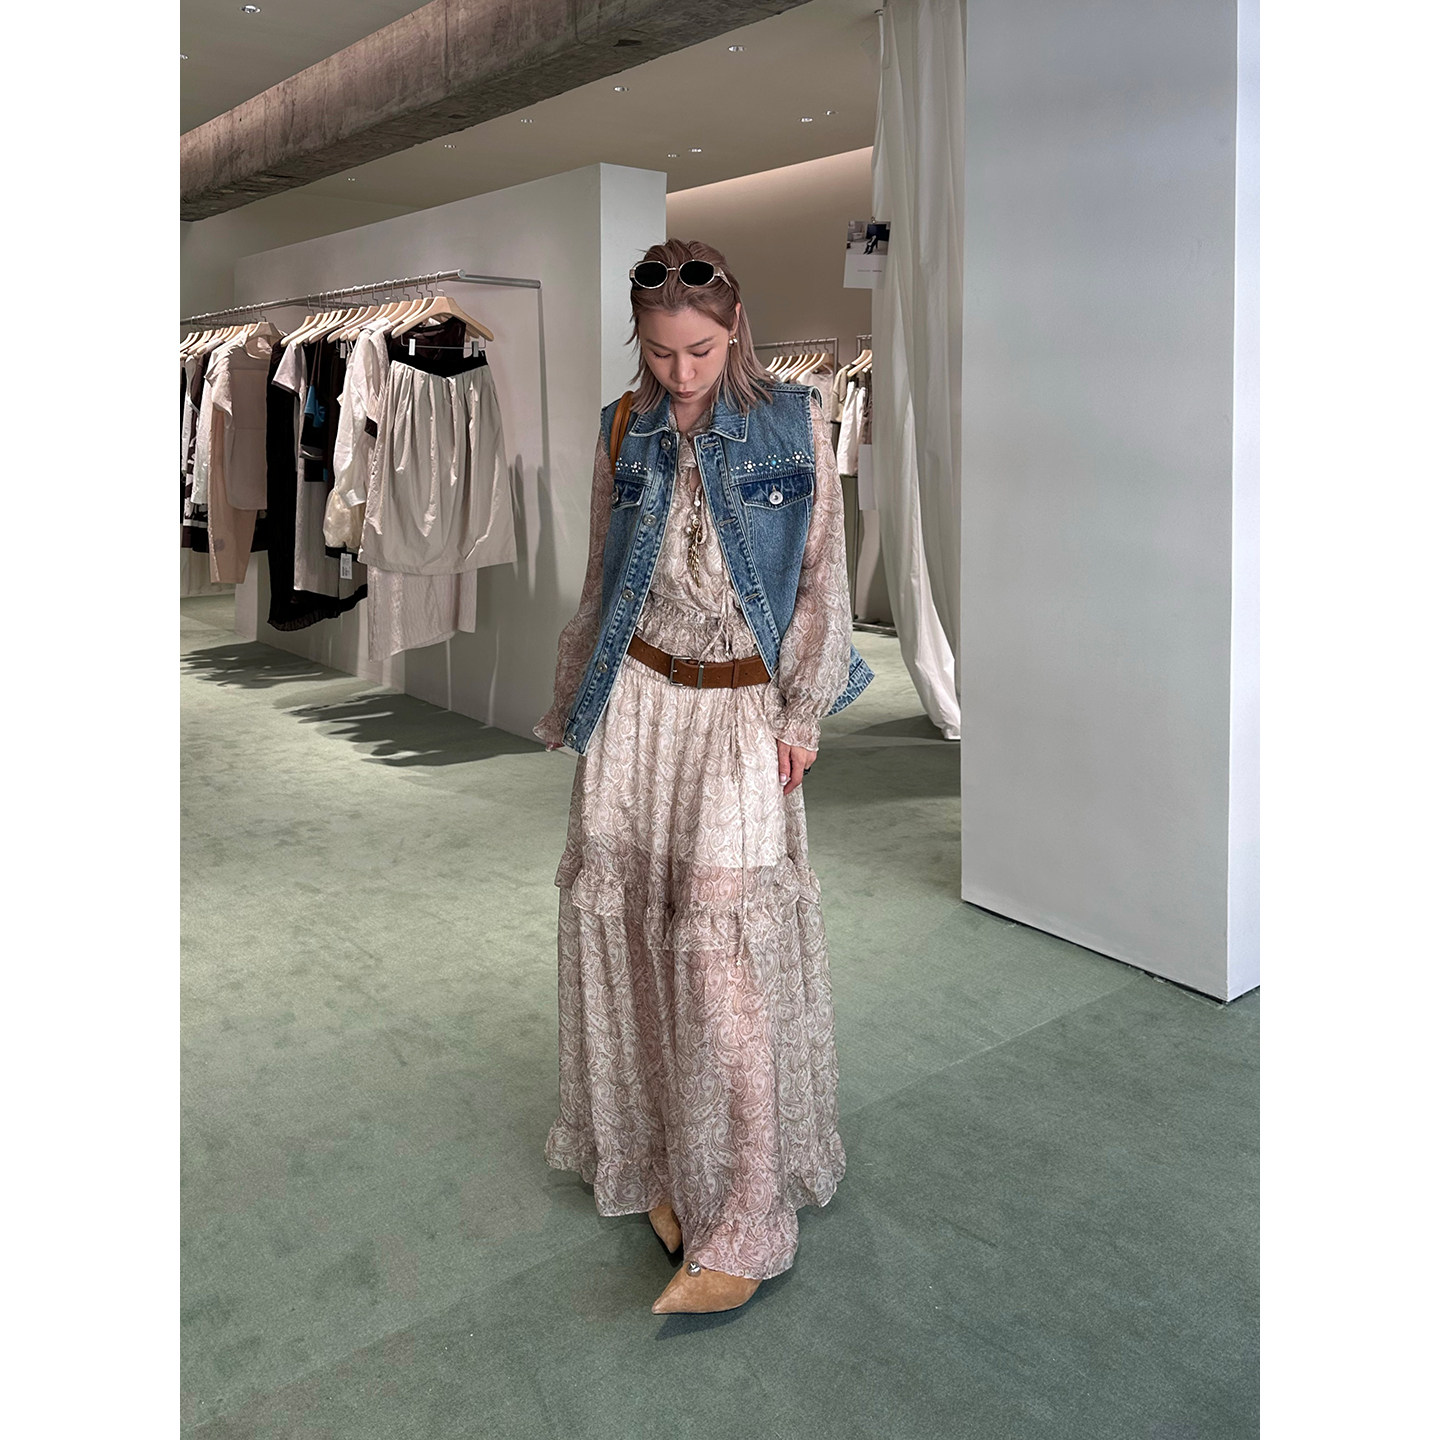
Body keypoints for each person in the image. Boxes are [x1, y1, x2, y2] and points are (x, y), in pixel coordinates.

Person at [534, 238, 874, 1314]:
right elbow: (602, 579)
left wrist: (803, 712)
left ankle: (747, 1218)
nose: (680, 373)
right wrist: (577, 698)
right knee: (638, 942)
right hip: (638, 706)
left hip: (737, 713)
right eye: (659, 352)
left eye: (702, 350)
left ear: (737, 330)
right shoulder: (622, 429)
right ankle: (666, 1166)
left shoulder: (795, 421)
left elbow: (822, 581)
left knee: (724, 965)